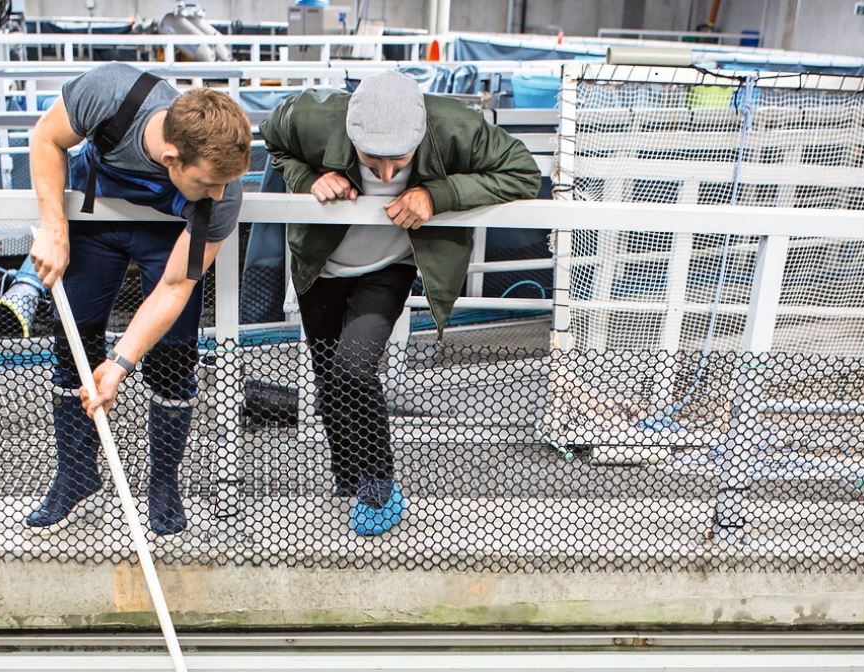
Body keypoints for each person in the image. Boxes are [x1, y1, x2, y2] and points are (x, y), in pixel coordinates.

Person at [260, 71, 541, 536]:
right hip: (319, 265)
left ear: (420, 137)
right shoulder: (311, 116)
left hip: (389, 267)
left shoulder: (457, 126)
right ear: (350, 133)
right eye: (372, 159)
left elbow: (524, 173)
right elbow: (274, 141)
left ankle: (380, 483)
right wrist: (310, 175)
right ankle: (347, 479)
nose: (386, 174)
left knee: (354, 368)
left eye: (399, 161)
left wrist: (437, 193)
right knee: (328, 373)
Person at [27, 68, 251, 533]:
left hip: (169, 235)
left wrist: (121, 362)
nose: (221, 194)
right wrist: (55, 229)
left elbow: (175, 286)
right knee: (73, 344)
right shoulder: (109, 93)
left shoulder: (222, 195)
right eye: (210, 182)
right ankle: (75, 476)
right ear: (172, 158)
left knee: (173, 358)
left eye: (226, 183)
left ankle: (163, 486)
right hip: (97, 215)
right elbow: (47, 138)